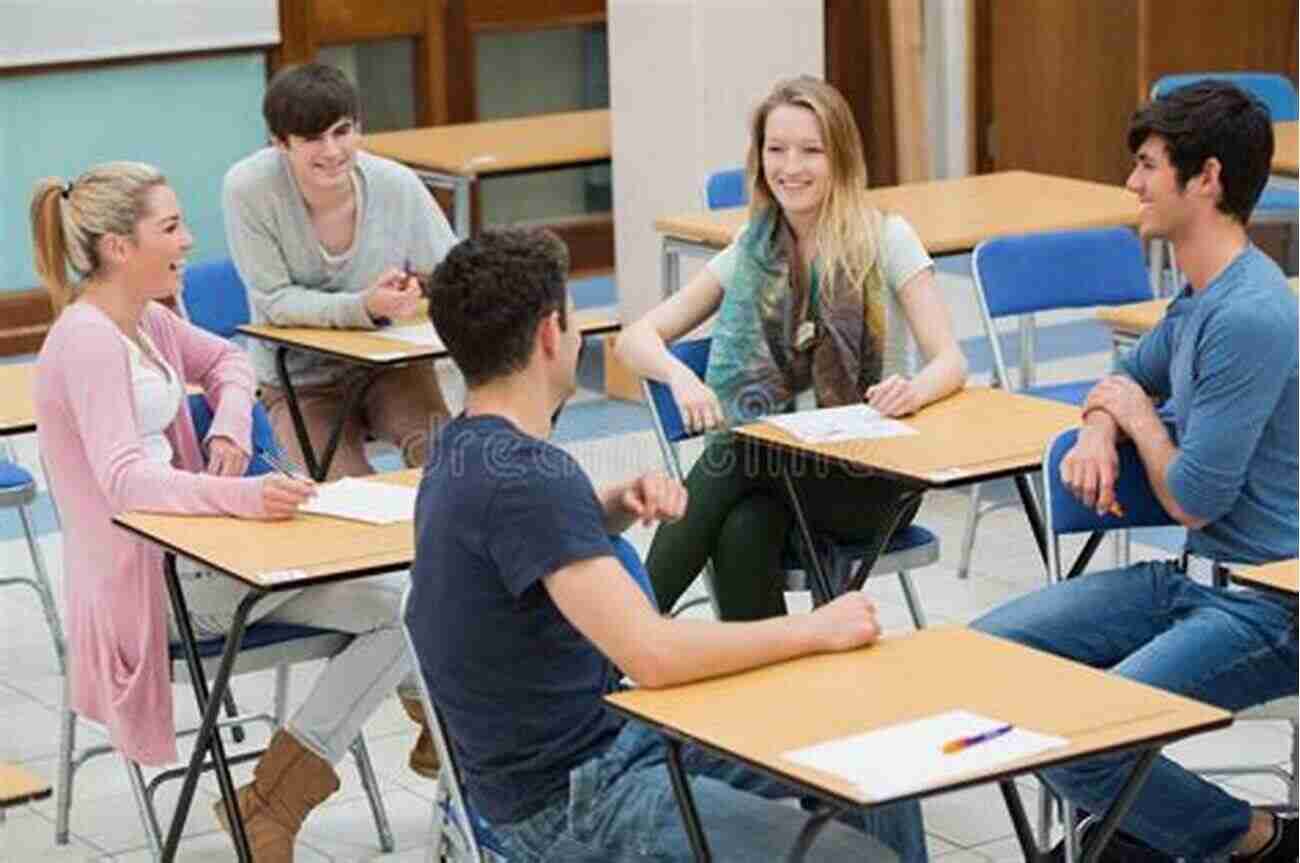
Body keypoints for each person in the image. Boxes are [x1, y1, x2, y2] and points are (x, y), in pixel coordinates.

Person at [407, 227, 928, 862]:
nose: (579, 337)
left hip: (593, 750)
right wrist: (816, 629)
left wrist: (605, 509)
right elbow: (653, 654)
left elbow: (519, 553)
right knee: (857, 859)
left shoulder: (461, 450)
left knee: (875, 741)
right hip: (576, 798)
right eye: (573, 323)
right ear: (549, 333)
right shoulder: (529, 480)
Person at [31, 162, 433, 863]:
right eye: (171, 227)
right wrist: (243, 496)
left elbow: (233, 364)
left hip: (201, 556)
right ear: (120, 248)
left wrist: (230, 429)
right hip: (152, 587)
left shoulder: (146, 319)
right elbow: (125, 482)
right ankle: (371, 750)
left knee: (406, 601)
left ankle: (267, 802)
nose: (188, 240)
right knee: (404, 608)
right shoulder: (88, 339)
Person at [973, 81, 1298, 863]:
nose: (1132, 183)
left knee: (1085, 741)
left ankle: (1256, 841)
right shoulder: (1199, 297)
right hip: (1192, 583)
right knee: (981, 661)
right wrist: (1097, 425)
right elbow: (1123, 372)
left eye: (1148, 165)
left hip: (1270, 608)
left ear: (1207, 178)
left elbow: (1191, 496)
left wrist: (1138, 417)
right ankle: (1144, 835)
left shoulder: (1249, 314)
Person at [615, 76, 966, 621]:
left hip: (872, 478)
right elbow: (636, 339)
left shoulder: (886, 238)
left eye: (810, 151)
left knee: (737, 448)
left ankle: (621, 640)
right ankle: (764, 688)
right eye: (776, 150)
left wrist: (912, 389)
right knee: (742, 528)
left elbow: (951, 361)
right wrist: (682, 377)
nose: (790, 167)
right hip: (780, 479)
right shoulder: (754, 247)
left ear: (841, 157)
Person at [223, 61, 455, 480]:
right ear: (280, 142)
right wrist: (363, 306)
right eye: (312, 139)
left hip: (390, 368)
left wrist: (419, 291)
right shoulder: (248, 190)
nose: (332, 151)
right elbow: (274, 301)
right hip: (299, 381)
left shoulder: (395, 183)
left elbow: (457, 273)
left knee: (450, 465)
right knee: (345, 498)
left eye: (342, 132)